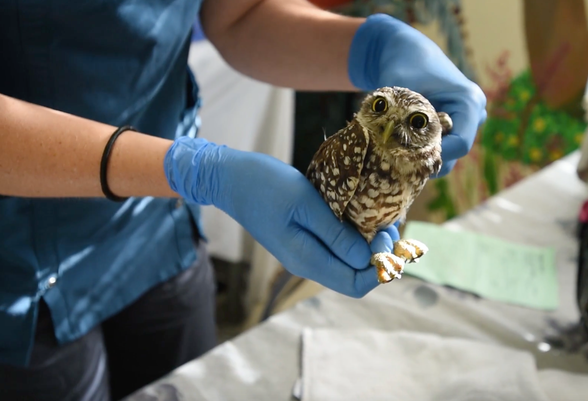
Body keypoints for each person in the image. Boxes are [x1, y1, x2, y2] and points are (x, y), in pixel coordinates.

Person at [0, 0, 487, 399]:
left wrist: (369, 47)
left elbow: (236, 15)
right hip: (18, 260)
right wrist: (198, 171)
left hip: (161, 224)